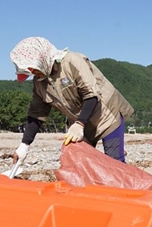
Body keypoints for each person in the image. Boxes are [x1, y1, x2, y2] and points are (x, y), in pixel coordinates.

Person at [10, 36, 134, 166]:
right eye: (32, 72)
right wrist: (24, 146)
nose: (35, 74)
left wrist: (80, 124)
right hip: (80, 123)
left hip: (106, 116)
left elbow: (91, 95)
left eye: (34, 69)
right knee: (79, 164)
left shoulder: (72, 62)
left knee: (115, 164)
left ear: (42, 59)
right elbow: (36, 114)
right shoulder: (40, 82)